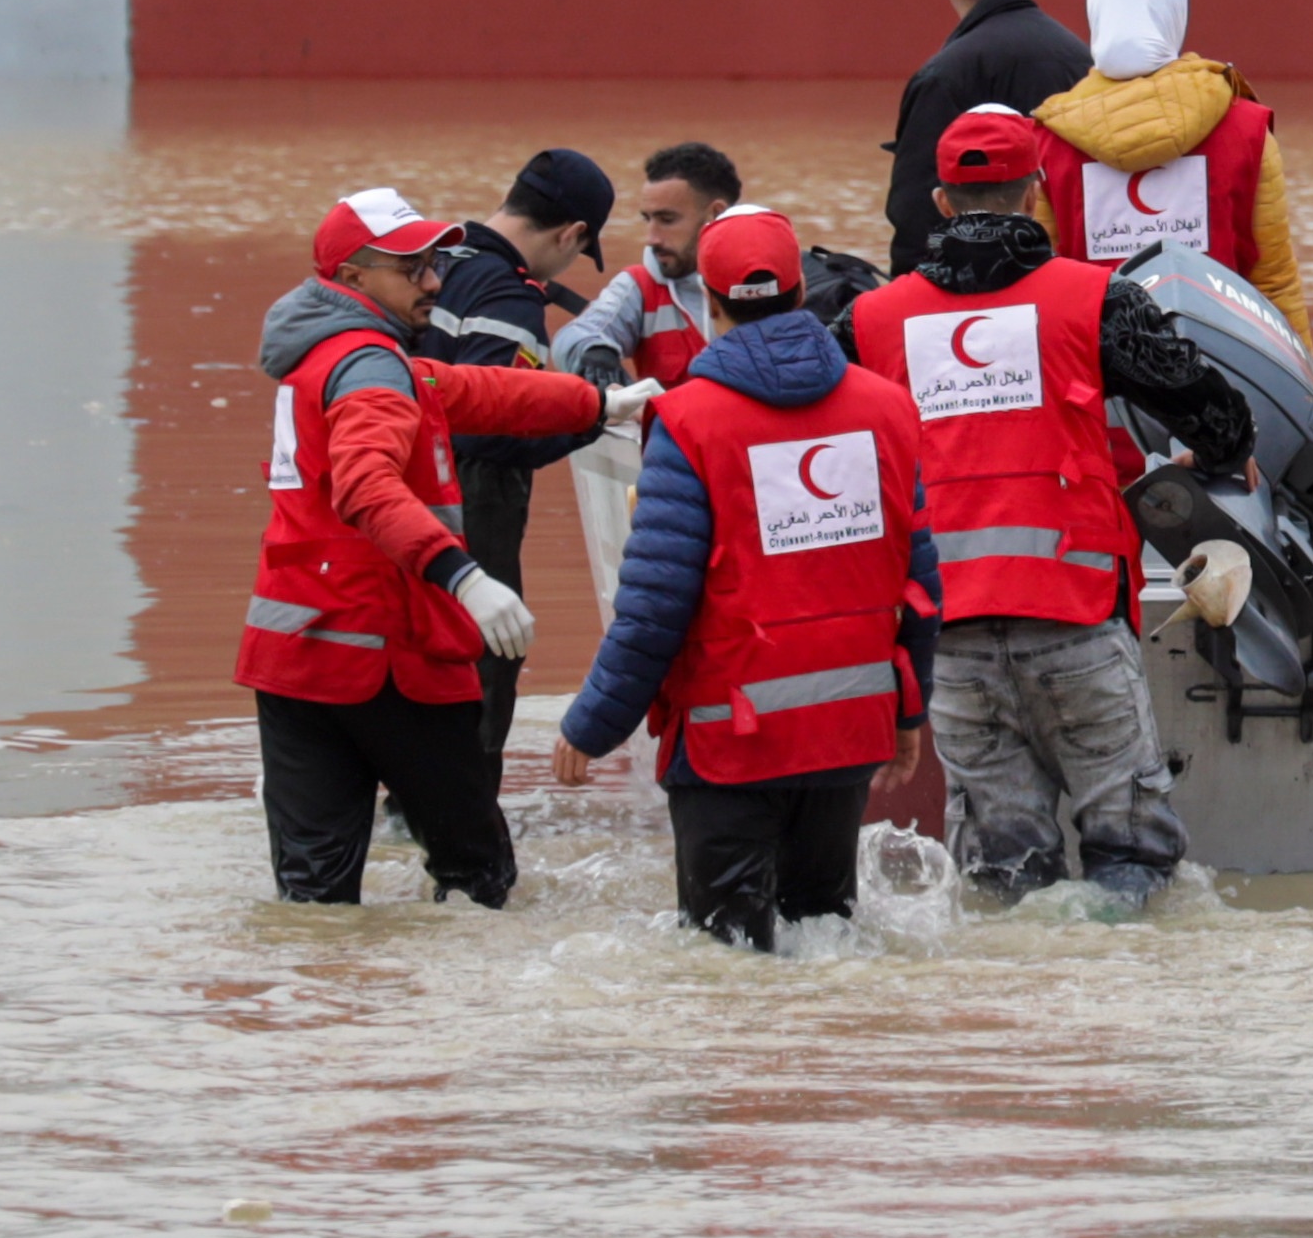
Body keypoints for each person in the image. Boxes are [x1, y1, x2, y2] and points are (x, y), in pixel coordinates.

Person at [853, 104, 1253, 905]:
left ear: (938, 205)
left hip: (951, 637)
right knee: (1131, 856)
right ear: (1037, 192)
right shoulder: (1097, 300)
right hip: (1073, 615)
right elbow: (1217, 416)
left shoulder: (871, 320)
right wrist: (1206, 457)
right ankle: (1114, 1004)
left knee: (1002, 874)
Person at [241, 186, 652, 907]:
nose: (434, 282)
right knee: (477, 877)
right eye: (413, 270)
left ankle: (323, 1010)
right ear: (352, 279)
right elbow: (367, 487)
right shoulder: (370, 368)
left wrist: (595, 403)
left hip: (296, 662)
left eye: (433, 264)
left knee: (312, 896)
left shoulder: (332, 356)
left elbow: (471, 390)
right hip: (387, 657)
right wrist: (467, 579)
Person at [553, 207, 938, 950]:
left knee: (725, 960)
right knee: (825, 938)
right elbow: (919, 588)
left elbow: (653, 608)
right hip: (844, 732)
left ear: (711, 304)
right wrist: (907, 713)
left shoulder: (690, 422)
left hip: (729, 743)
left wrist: (592, 724)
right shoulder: (887, 408)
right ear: (801, 293)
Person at [428, 147, 620, 771]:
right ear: (573, 233)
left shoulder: (430, 262)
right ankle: (463, 841)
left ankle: (400, 825)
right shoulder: (508, 297)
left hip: (392, 505)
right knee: (486, 665)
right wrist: (593, 415)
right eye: (576, 253)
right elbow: (488, 426)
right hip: (466, 511)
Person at [1030, 0, 1308, 344]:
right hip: (1222, 369)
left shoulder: (1047, 141)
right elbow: (1274, 279)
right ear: (1174, 10)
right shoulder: (1246, 130)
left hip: (1098, 376)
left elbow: (1042, 285)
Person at [885, 0, 1093, 278]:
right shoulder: (1083, 61)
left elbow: (914, 219)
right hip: (1076, 289)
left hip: (974, 299)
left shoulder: (941, 77)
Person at [558, 142, 746, 393]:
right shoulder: (640, 286)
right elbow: (575, 336)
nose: (652, 238)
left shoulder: (774, 280)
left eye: (667, 220)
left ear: (715, 214)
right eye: (648, 219)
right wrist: (595, 351)